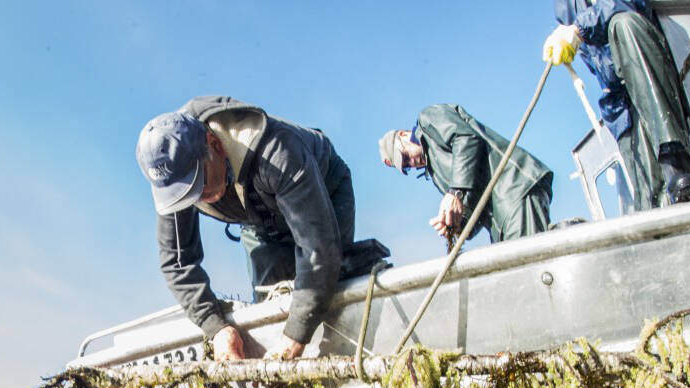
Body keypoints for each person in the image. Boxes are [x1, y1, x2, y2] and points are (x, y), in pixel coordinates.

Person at [136, 96, 355, 361]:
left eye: (198, 183)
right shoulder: (175, 174)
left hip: (322, 191)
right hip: (257, 219)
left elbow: (317, 248)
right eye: (185, 193)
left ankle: (344, 355)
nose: (197, 197)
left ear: (214, 144)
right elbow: (177, 263)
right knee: (271, 311)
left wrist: (295, 336)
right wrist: (216, 328)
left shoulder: (278, 151)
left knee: (331, 288)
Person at [544, 0, 690, 208]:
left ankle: (677, 163)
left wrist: (579, 28)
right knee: (649, 198)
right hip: (620, 104)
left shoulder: (585, 20)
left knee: (623, 23)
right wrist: (564, 32)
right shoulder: (565, 5)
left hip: (652, 69)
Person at [379, 105, 554, 243]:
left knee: (528, 267)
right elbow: (471, 206)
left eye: (405, 156)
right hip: (500, 221)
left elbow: (466, 137)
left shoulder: (428, 119)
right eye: (406, 166)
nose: (411, 163)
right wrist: (457, 224)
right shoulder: (436, 174)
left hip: (514, 190)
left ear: (403, 135)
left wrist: (455, 192)